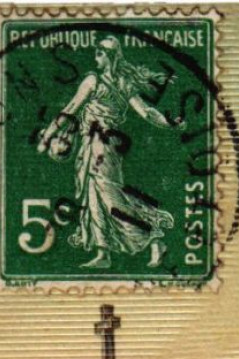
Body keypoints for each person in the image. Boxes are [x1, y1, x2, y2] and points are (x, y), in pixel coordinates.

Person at [36, 37, 180, 269]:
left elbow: (71, 109)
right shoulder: (120, 83)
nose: (96, 55)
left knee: (110, 196)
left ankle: (153, 239)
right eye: (97, 51)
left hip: (102, 145)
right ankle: (103, 253)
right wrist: (169, 123)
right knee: (94, 196)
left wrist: (47, 137)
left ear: (110, 56)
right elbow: (147, 112)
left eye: (100, 52)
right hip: (96, 144)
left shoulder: (96, 81)